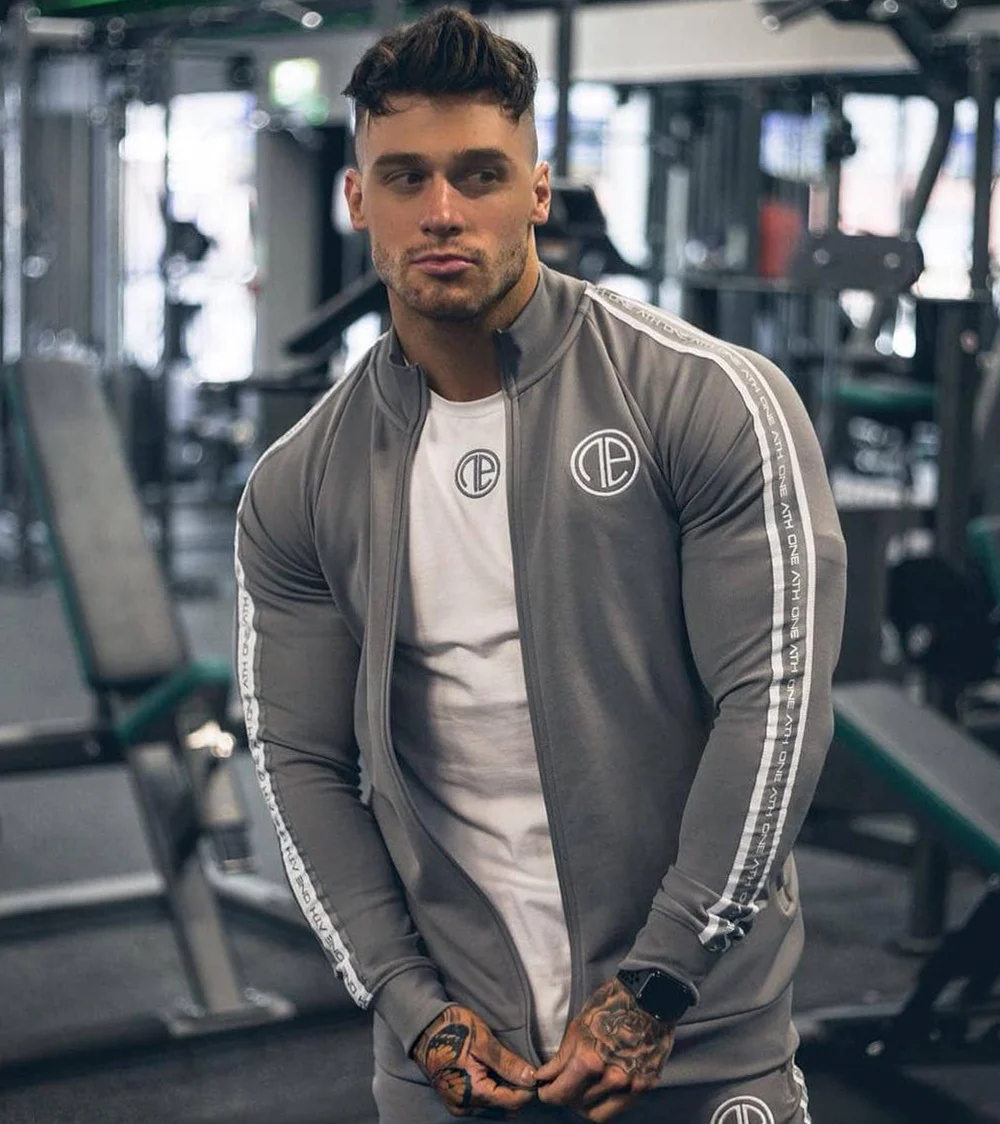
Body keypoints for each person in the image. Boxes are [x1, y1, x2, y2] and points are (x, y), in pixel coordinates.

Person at [234, 8, 846, 1122]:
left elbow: (774, 705)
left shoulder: (705, 398)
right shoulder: (300, 480)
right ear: (357, 199)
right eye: (406, 177)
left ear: (538, 191)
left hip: (695, 1033)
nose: (443, 210)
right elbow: (301, 762)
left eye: (480, 173)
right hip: (453, 1053)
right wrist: (409, 1003)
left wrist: (659, 981)